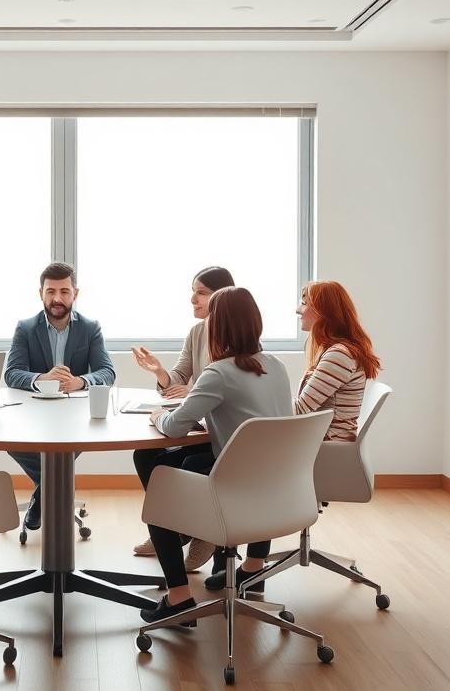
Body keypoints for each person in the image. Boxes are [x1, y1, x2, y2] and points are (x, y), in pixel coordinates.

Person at [203, 279, 382, 593]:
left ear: (323, 311)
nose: (298, 310)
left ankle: (240, 560)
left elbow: (299, 410)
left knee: (247, 462)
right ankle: (251, 566)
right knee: (255, 457)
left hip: (325, 452)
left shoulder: (338, 355)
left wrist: (250, 406)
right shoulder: (336, 350)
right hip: (323, 445)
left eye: (304, 303)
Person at [139, 286, 292, 624]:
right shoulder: (276, 366)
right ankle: (249, 565)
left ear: (217, 328)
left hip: (235, 491)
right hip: (279, 488)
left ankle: (179, 596)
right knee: (176, 462)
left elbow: (174, 427)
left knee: (159, 485)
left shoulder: (219, 372)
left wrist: (157, 416)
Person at [129, 266, 235, 571]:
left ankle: (197, 531)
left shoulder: (238, 337)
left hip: (223, 432)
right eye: (193, 291)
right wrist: (160, 372)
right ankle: (170, 529)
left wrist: (192, 392)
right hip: (201, 425)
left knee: (185, 462)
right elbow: (179, 378)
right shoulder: (197, 333)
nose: (193, 299)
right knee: (145, 455)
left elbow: (222, 386)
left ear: (222, 296)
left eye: (201, 292)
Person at [4, 262, 116, 529]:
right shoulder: (26, 328)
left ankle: (41, 496)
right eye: (50, 291)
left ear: (75, 293)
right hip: (33, 413)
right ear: (40, 293)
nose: (57, 298)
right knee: (10, 441)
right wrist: (42, 379)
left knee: (70, 444)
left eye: (64, 291)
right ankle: (52, 489)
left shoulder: (90, 328)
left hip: (74, 415)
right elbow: (12, 373)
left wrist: (80, 381)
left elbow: (107, 372)